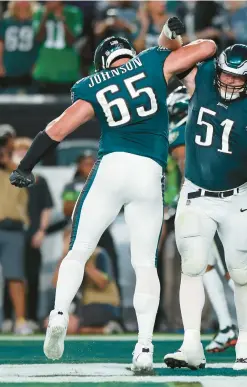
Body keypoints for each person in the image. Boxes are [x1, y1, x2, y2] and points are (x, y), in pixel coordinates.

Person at [9, 18, 217, 372]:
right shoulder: (152, 61)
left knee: (78, 251)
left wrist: (25, 166)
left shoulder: (93, 84)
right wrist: (173, 38)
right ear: (129, 54)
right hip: (149, 172)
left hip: (112, 166)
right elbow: (208, 48)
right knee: (144, 264)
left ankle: (58, 314)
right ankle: (145, 347)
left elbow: (57, 129)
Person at [163, 44, 247, 371]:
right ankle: (191, 344)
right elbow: (177, 59)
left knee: (240, 274)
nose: (231, 81)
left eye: (239, 77)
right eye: (226, 74)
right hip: (195, 194)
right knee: (192, 267)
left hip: (237, 199)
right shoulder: (204, 76)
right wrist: (176, 38)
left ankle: (246, 342)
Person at [62, 151, 120, 293]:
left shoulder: (105, 183)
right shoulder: (71, 185)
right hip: (80, 231)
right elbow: (67, 208)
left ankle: (115, 304)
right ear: (79, 166)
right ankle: (76, 304)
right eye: (86, 163)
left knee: (111, 263)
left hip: (102, 230)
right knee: (78, 265)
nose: (90, 166)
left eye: (92, 163)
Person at [14, 137, 53, 328]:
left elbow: (47, 207)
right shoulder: (7, 177)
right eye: (18, 150)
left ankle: (31, 318)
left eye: (25, 150)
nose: (22, 153)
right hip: (13, 233)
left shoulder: (40, 180)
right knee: (13, 277)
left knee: (32, 276)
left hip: (33, 234)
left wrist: (41, 231)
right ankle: (10, 319)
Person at [0, 127, 32, 335]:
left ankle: (20, 321)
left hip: (13, 228)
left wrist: (7, 160)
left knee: (15, 277)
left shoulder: (20, 164)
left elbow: (25, 180)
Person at [32, 1, 83, 93]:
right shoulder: (40, 12)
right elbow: (38, 38)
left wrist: (62, 20)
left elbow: (71, 41)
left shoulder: (73, 12)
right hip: (45, 70)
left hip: (67, 71)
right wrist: (45, 16)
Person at [0, 1, 39, 92]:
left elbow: (39, 46)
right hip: (9, 65)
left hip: (29, 67)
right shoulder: (6, 22)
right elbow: (0, 44)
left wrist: (37, 64)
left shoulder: (36, 23)